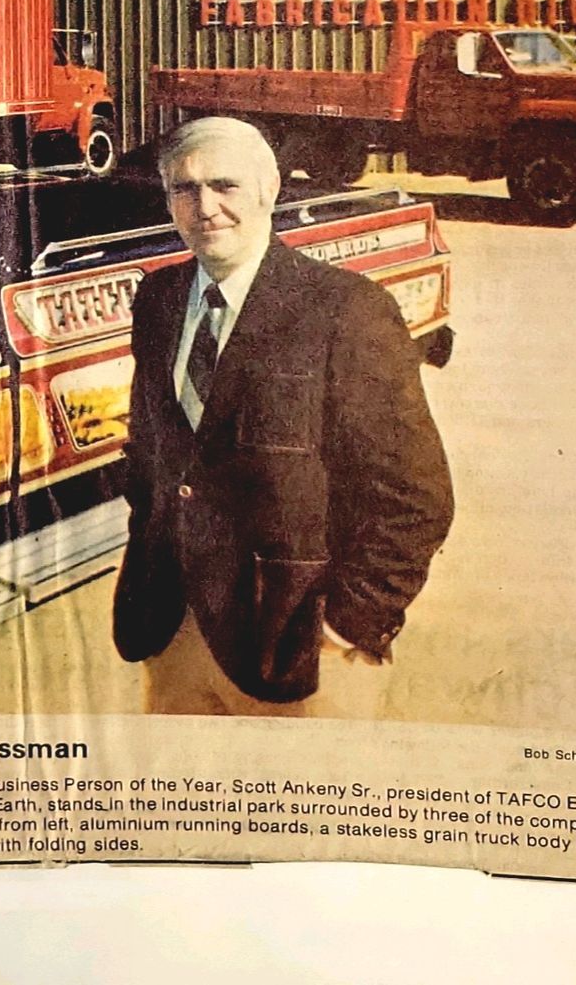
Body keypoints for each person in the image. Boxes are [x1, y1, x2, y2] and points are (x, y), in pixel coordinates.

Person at [111, 117, 454, 715]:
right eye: (184, 190)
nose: (206, 207)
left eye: (225, 186)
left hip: (296, 648)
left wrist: (349, 627)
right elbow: (152, 454)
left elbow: (416, 497)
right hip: (173, 630)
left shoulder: (347, 311)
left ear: (270, 190)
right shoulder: (159, 299)